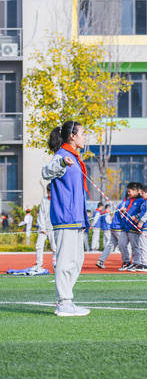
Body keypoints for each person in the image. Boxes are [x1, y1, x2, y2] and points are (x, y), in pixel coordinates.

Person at [42, 121, 91, 316]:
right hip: (65, 217)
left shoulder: (75, 158)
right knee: (65, 261)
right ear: (72, 136)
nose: (84, 137)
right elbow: (46, 172)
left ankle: (67, 300)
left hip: (77, 218)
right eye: (82, 134)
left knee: (77, 261)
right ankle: (63, 302)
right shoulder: (62, 156)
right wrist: (62, 163)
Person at [33, 185, 55, 271]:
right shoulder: (44, 200)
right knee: (39, 246)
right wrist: (42, 228)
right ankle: (39, 264)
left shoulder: (57, 200)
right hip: (44, 228)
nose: (49, 193)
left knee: (55, 247)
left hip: (54, 228)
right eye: (48, 191)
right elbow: (41, 214)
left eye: (50, 191)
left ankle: (55, 264)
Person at [124, 183, 145, 271]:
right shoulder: (128, 200)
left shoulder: (141, 200)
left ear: (136, 191)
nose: (128, 193)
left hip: (134, 227)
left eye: (130, 191)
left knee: (135, 246)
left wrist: (137, 217)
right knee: (123, 244)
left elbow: (143, 212)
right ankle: (128, 262)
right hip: (127, 227)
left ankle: (137, 262)